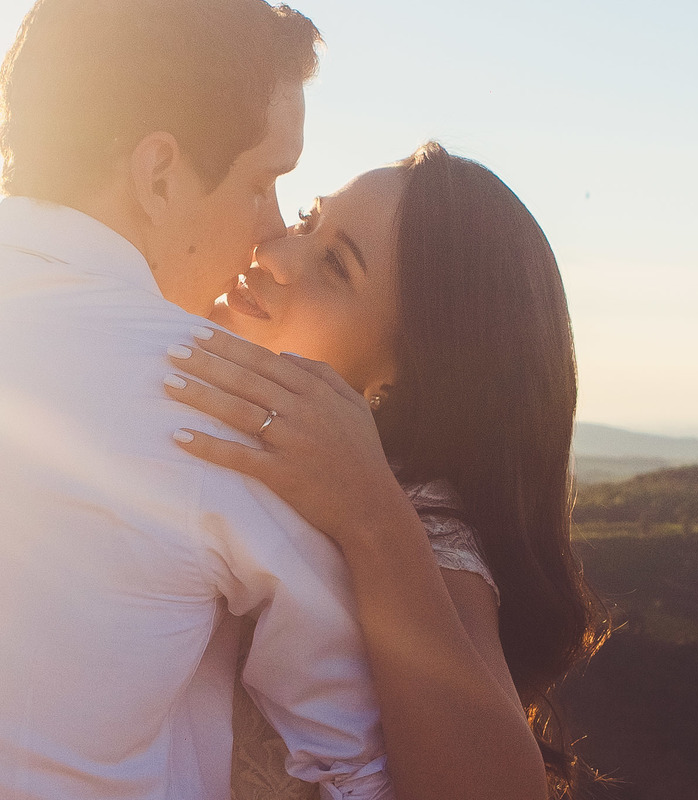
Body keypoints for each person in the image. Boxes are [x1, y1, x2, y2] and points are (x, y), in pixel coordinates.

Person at [0, 1, 399, 797]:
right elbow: (364, 769)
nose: (272, 229)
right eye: (262, 183)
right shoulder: (211, 400)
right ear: (156, 175)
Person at [166, 142, 610, 800]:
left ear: (401, 377)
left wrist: (372, 517)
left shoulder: (420, 518)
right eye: (309, 221)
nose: (275, 252)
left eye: (336, 266)